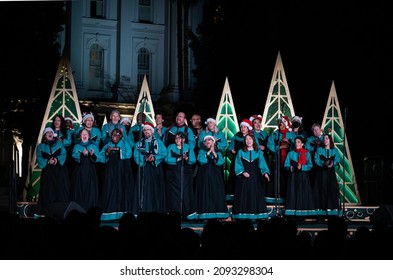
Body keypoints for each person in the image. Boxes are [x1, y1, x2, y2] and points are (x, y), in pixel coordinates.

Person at [232, 133, 270, 220]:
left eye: (250, 139)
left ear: (253, 140)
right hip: (243, 178)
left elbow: (262, 164)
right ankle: (242, 215)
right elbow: (238, 164)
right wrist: (242, 172)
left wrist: (265, 173)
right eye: (246, 139)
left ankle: (256, 215)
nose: (248, 141)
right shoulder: (241, 152)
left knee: (255, 194)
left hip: (255, 178)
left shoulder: (258, 152)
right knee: (243, 195)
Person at [132, 122, 167, 214]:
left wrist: (154, 158)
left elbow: (164, 153)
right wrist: (144, 159)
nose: (146, 132)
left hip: (156, 169)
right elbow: (136, 155)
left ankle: (156, 210)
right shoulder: (139, 143)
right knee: (144, 189)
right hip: (144, 168)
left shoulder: (159, 142)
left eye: (148, 130)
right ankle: (143, 209)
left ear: (152, 131)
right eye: (145, 130)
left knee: (156, 189)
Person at [98, 128, 134, 213]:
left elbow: (129, 154)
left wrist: (119, 150)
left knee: (121, 188)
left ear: (121, 136)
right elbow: (100, 156)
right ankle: (110, 209)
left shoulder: (125, 143)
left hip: (121, 170)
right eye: (113, 134)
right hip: (110, 171)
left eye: (118, 134)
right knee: (110, 188)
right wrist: (107, 152)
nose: (115, 135)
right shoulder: (108, 145)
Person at [36, 127, 70, 216]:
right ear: (44, 135)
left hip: (59, 172)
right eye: (47, 132)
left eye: (51, 132)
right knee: (47, 192)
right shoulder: (40, 147)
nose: (50, 133)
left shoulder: (59, 144)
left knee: (60, 191)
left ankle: (60, 212)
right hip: (47, 173)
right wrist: (47, 161)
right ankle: (47, 212)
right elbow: (39, 158)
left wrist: (56, 160)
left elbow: (63, 154)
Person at [195, 135, 229, 220]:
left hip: (215, 177)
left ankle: (218, 214)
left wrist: (213, 152)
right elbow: (201, 160)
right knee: (205, 193)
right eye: (206, 141)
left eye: (209, 140)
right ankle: (205, 214)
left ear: (213, 142)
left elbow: (220, 162)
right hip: (204, 177)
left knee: (216, 193)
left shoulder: (218, 152)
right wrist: (208, 152)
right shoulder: (201, 151)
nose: (207, 142)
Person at [165, 132, 197, 219]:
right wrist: (178, 158)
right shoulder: (170, 147)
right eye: (176, 138)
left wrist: (187, 158)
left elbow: (193, 160)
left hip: (185, 173)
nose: (177, 140)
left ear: (183, 139)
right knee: (174, 194)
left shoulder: (188, 147)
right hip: (173, 174)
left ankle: (187, 213)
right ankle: (174, 213)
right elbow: (167, 159)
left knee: (186, 192)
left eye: (179, 138)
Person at [283, 136, 316, 219]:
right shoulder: (290, 153)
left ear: (302, 144)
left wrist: (302, 167)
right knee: (293, 192)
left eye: (298, 142)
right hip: (293, 176)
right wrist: (289, 167)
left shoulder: (307, 153)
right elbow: (286, 164)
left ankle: (303, 214)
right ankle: (292, 213)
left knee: (303, 193)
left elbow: (310, 165)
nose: (296, 143)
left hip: (303, 176)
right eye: (296, 142)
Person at [266, 115, 296, 205]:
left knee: (287, 178)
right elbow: (269, 144)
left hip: (288, 159)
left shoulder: (291, 134)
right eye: (279, 123)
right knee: (276, 177)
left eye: (282, 123)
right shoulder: (275, 134)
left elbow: (297, 145)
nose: (280, 124)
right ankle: (275, 199)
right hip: (277, 159)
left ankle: (287, 199)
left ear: (286, 124)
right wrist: (280, 146)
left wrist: (290, 143)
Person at [70, 128, 100, 212]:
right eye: (82, 134)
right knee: (79, 190)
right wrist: (81, 154)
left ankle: (90, 210)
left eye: (86, 134)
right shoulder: (77, 146)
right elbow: (74, 156)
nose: (84, 135)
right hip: (79, 171)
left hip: (90, 172)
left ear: (89, 136)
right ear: (80, 136)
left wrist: (92, 155)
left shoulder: (94, 146)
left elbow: (98, 158)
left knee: (90, 191)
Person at [313, 134, 341, 217]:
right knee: (321, 191)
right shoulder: (319, 149)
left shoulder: (335, 150)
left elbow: (337, 159)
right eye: (324, 139)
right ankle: (320, 214)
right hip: (321, 173)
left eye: (327, 138)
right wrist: (323, 164)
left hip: (331, 174)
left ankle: (331, 213)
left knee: (331, 190)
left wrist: (332, 164)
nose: (325, 140)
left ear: (330, 140)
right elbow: (316, 159)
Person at [226, 118, 253, 196]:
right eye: (242, 127)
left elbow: (255, 146)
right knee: (235, 176)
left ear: (248, 128)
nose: (243, 128)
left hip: (247, 160)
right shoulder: (236, 136)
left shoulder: (251, 136)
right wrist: (232, 150)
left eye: (245, 127)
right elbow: (230, 147)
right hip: (237, 159)